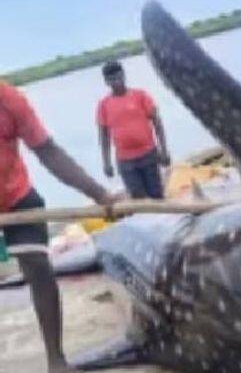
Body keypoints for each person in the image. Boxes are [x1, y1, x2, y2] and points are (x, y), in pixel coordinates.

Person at [1, 81, 115, 373]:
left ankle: (56, 360)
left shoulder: (9, 99)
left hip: (15, 196)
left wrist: (100, 194)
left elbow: (48, 152)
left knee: (39, 270)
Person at [97, 61, 170, 199]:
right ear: (106, 82)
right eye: (112, 79)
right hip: (125, 161)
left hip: (148, 154)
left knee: (156, 194)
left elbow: (157, 123)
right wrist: (106, 163)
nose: (116, 82)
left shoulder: (140, 95)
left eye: (118, 77)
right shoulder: (103, 105)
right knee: (138, 199)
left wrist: (164, 150)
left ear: (124, 75)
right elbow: (104, 136)